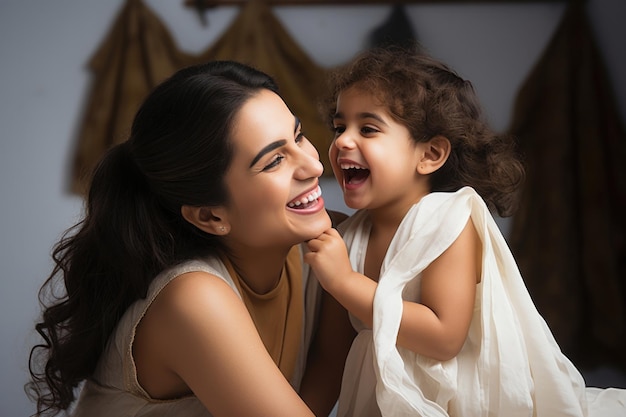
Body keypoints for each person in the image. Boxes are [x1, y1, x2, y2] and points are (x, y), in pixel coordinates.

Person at [304, 46, 626, 417]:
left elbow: (443, 337)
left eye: (369, 128)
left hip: (460, 404)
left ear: (430, 155)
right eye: (340, 127)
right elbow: (330, 359)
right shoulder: (349, 239)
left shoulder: (447, 220)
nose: (343, 140)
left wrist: (343, 281)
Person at [26, 60, 354, 417]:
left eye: (299, 136)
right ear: (211, 216)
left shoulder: (328, 250)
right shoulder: (193, 299)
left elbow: (325, 373)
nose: (314, 166)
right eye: (274, 161)